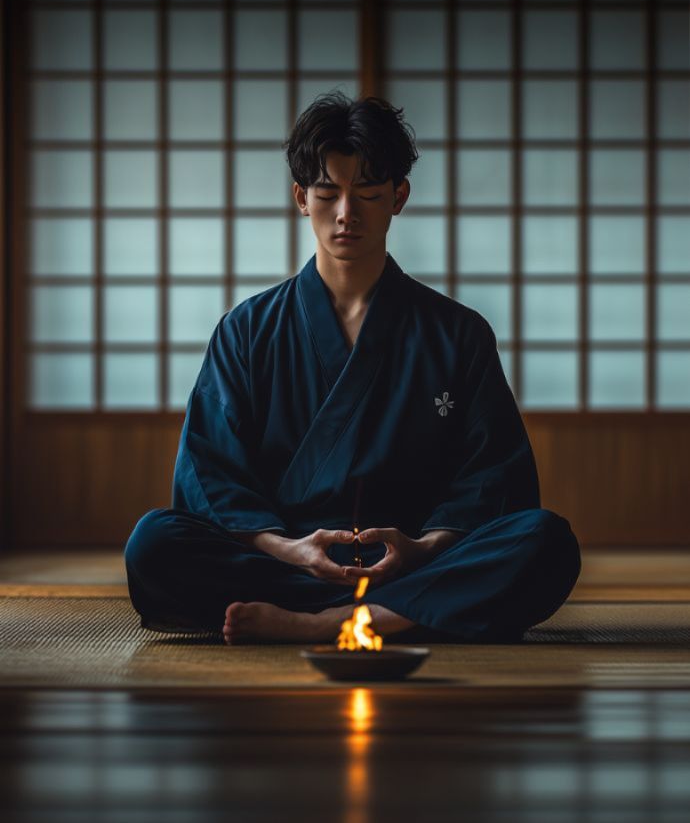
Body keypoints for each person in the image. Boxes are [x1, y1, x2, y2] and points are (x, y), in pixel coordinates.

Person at [124, 91, 581, 645]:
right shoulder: (246, 331)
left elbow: (493, 473)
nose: (347, 214)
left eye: (367, 193)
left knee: (545, 541)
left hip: (413, 563)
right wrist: (287, 548)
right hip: (288, 566)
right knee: (154, 542)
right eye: (328, 193)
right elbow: (211, 470)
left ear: (399, 197)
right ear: (300, 197)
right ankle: (402, 616)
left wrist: (423, 547)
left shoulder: (457, 333)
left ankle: (327, 623)